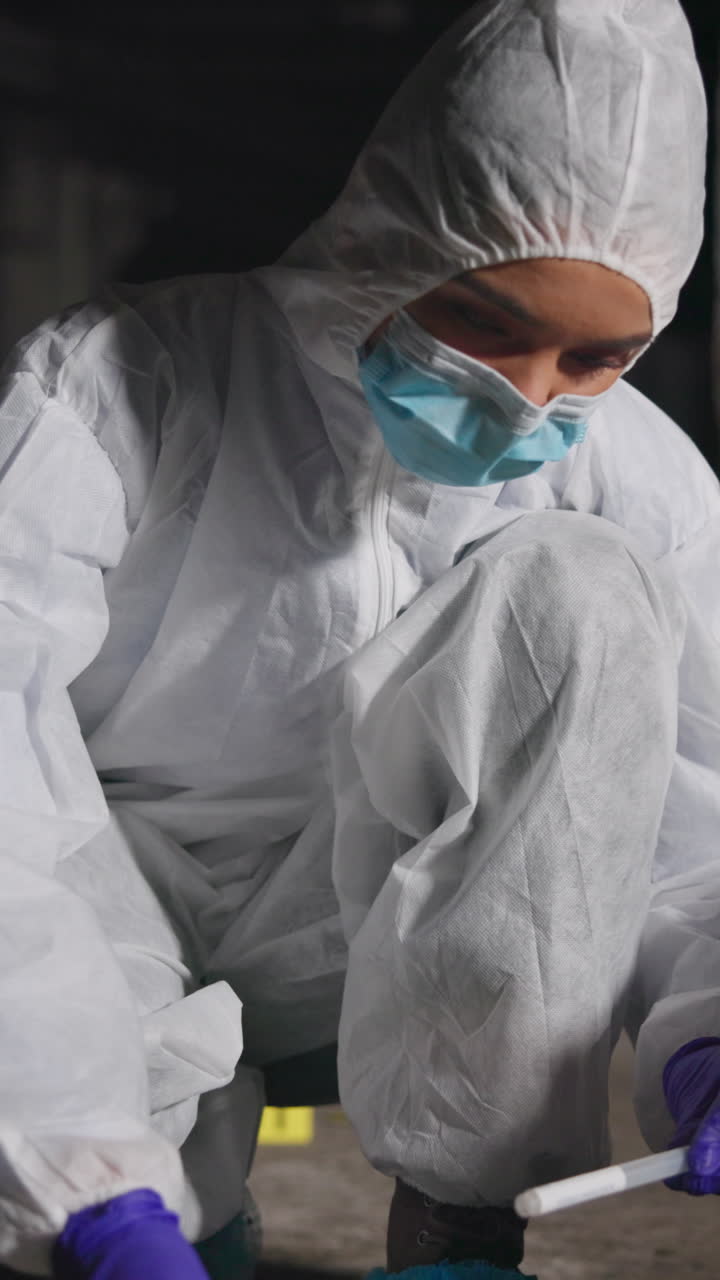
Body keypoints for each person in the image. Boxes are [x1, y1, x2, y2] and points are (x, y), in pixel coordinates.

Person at [0, 1, 719, 1277]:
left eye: (597, 356)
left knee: (587, 587)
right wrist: (78, 1171)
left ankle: (460, 1219)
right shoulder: (113, 388)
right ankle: (167, 1184)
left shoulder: (643, 484)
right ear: (391, 236)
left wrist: (711, 1031)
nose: (530, 402)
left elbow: (690, 812)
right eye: (488, 324)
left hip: (399, 941)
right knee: (143, 1193)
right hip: (122, 914)